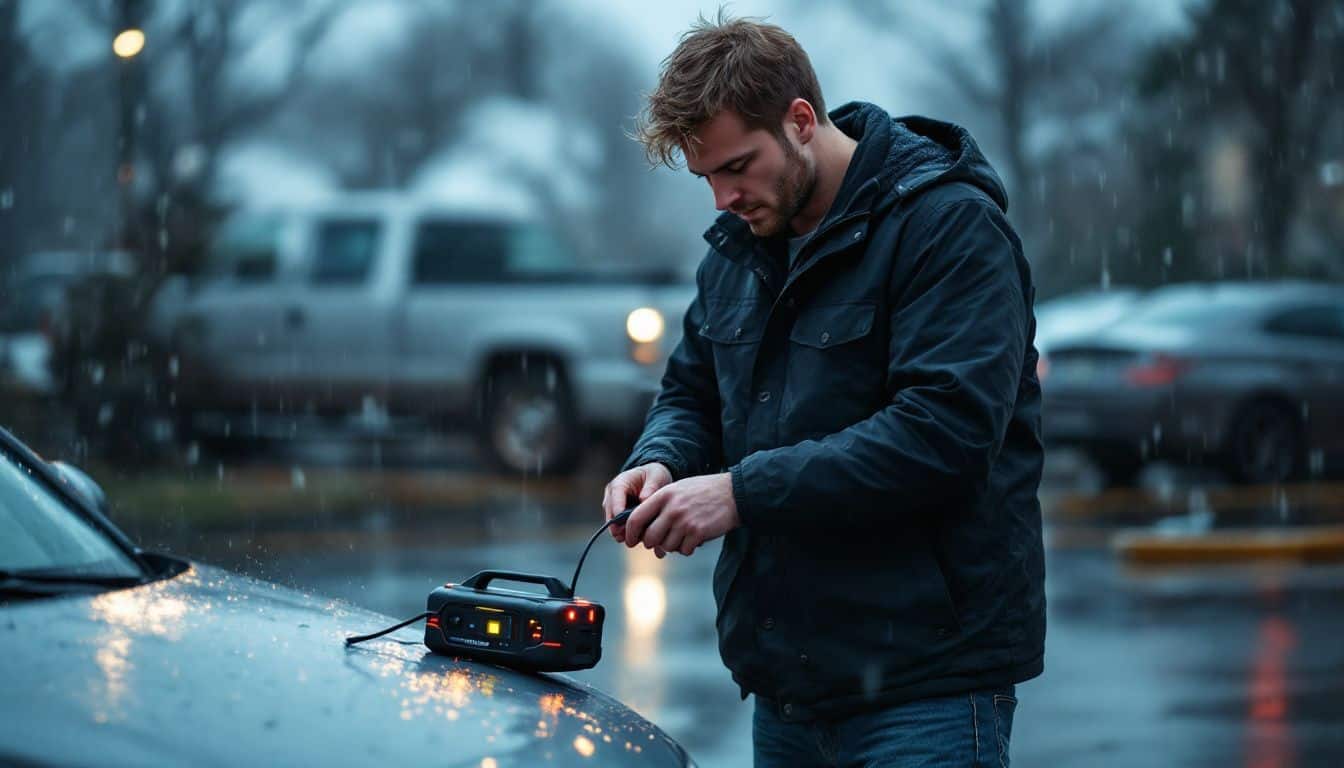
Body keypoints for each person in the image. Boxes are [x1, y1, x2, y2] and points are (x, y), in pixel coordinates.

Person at [600, 13, 1045, 767]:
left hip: (926, 691)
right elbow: (691, 392)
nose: (721, 199)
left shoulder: (948, 227)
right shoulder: (737, 253)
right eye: (707, 176)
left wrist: (739, 493)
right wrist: (662, 460)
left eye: (737, 166)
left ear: (801, 121)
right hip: (786, 692)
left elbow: (944, 434)